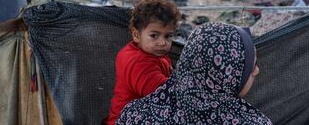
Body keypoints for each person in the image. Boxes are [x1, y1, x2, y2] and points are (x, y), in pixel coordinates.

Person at [116, 22, 272, 125]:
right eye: (250, 67)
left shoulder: (135, 114)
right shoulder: (252, 122)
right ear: (227, 75)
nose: (257, 70)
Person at [104, 0, 181, 125]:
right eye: (154, 36)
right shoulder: (137, 62)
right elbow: (163, 95)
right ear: (136, 35)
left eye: (168, 36)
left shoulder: (154, 53)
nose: (162, 42)